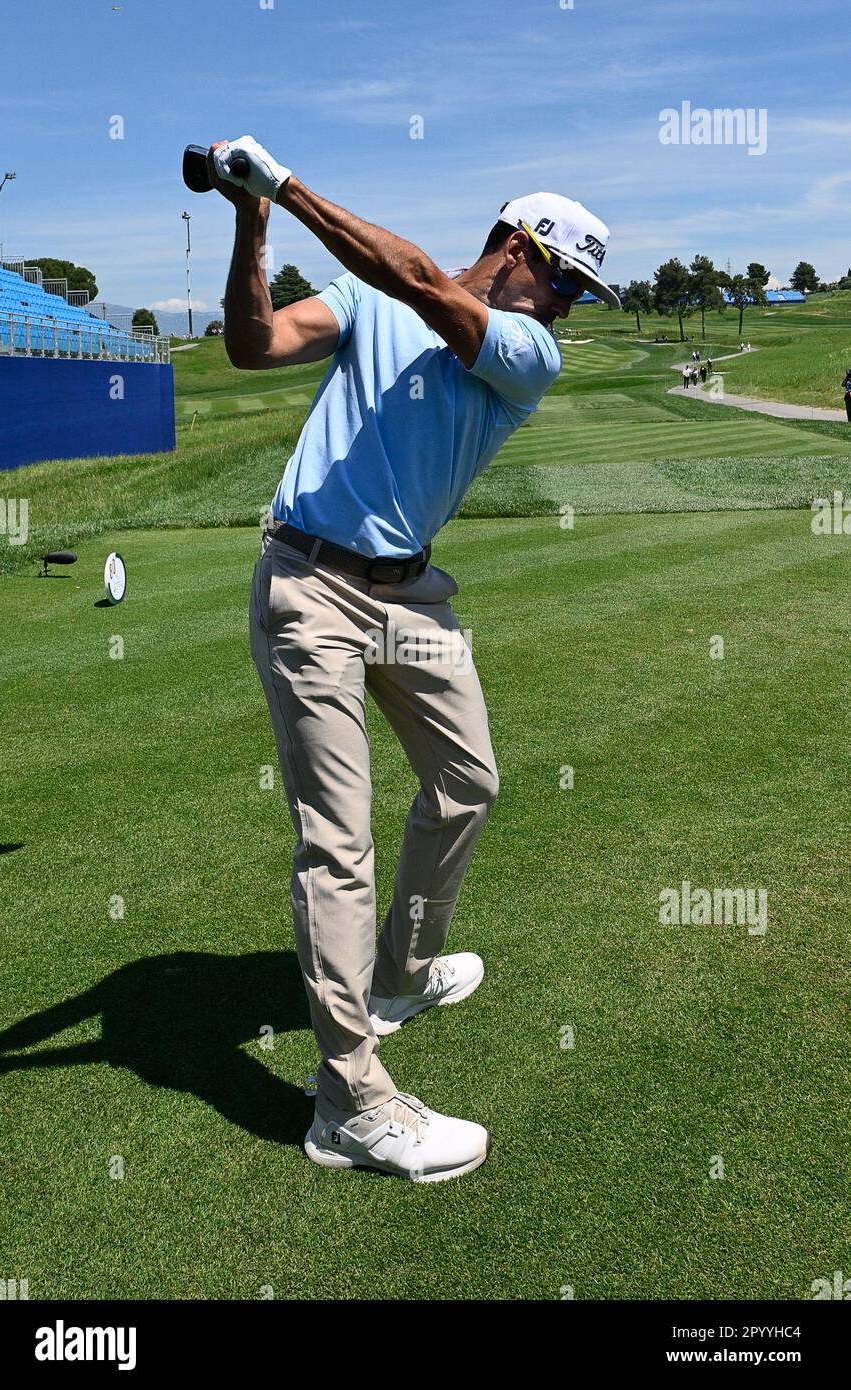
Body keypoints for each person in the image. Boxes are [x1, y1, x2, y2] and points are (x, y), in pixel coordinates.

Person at [208, 135, 620, 1183]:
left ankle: (398, 970)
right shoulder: (365, 302)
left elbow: (422, 283)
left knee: (466, 781)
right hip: (310, 588)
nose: (567, 305)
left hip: (410, 594)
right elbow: (251, 344)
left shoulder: (525, 350)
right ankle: (347, 1099)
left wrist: (286, 184)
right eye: (565, 280)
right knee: (333, 846)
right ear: (516, 246)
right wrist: (252, 219)